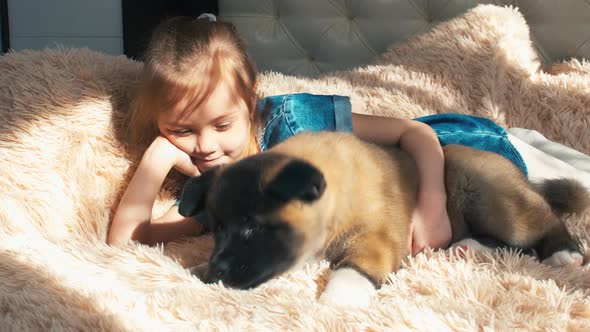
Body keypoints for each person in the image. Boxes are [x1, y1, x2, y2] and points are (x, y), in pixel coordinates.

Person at [107, 15, 590, 257]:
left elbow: (411, 133)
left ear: (251, 102)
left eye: (221, 125)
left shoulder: (294, 123)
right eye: (181, 131)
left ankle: (525, 137)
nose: (205, 146)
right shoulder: (209, 182)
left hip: (455, 151)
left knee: (548, 176)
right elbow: (125, 243)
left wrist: (432, 203)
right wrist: (154, 159)